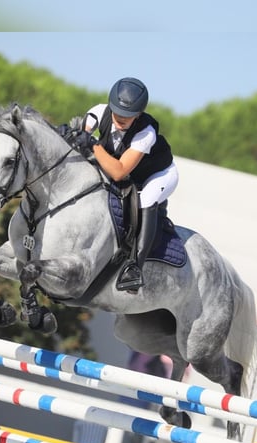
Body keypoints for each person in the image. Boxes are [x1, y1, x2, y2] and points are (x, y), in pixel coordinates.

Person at [80, 77, 179, 292]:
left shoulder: (146, 133)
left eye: (128, 115)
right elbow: (82, 132)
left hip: (159, 174)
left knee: (145, 199)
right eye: (117, 112)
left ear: (139, 114)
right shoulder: (99, 111)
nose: (121, 118)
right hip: (131, 173)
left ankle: (135, 268)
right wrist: (76, 134)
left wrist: (93, 144)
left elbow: (118, 172)